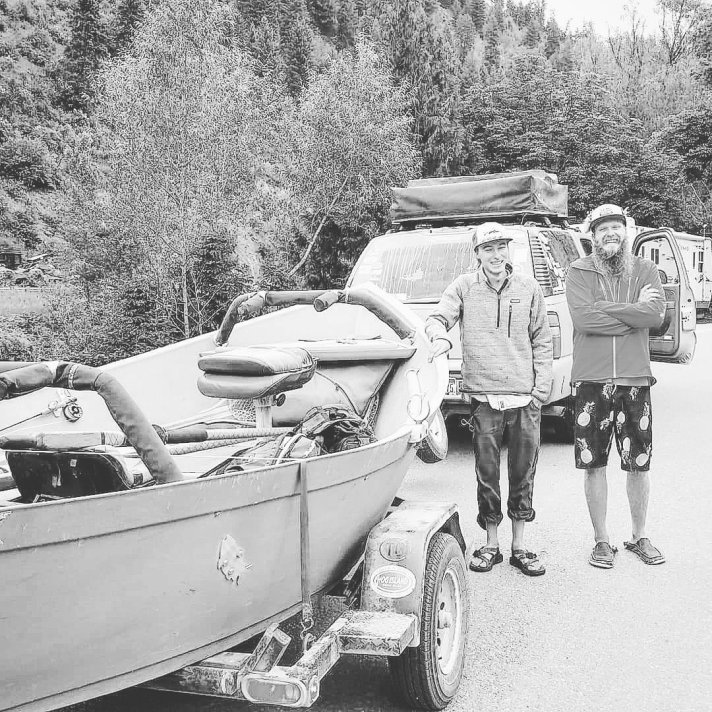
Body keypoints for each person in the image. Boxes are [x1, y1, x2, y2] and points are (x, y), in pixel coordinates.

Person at [426, 222, 553, 576]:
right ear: (477, 254)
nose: (496, 255)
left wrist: (540, 390)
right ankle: (491, 544)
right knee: (487, 472)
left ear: (508, 251)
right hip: (483, 397)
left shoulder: (529, 287)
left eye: (501, 247)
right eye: (488, 249)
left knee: (523, 472)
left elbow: (542, 339)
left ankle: (520, 546)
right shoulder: (464, 287)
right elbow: (438, 318)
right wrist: (439, 336)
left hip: (524, 398)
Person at [566, 204, 666, 569]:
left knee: (639, 462)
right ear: (592, 236)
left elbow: (655, 315)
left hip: (634, 377)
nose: (610, 233)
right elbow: (583, 319)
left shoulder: (645, 269)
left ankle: (639, 536)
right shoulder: (578, 271)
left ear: (626, 232)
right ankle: (601, 540)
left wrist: (607, 309)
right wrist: (630, 316)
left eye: (616, 227)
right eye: (602, 228)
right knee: (593, 463)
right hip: (591, 380)